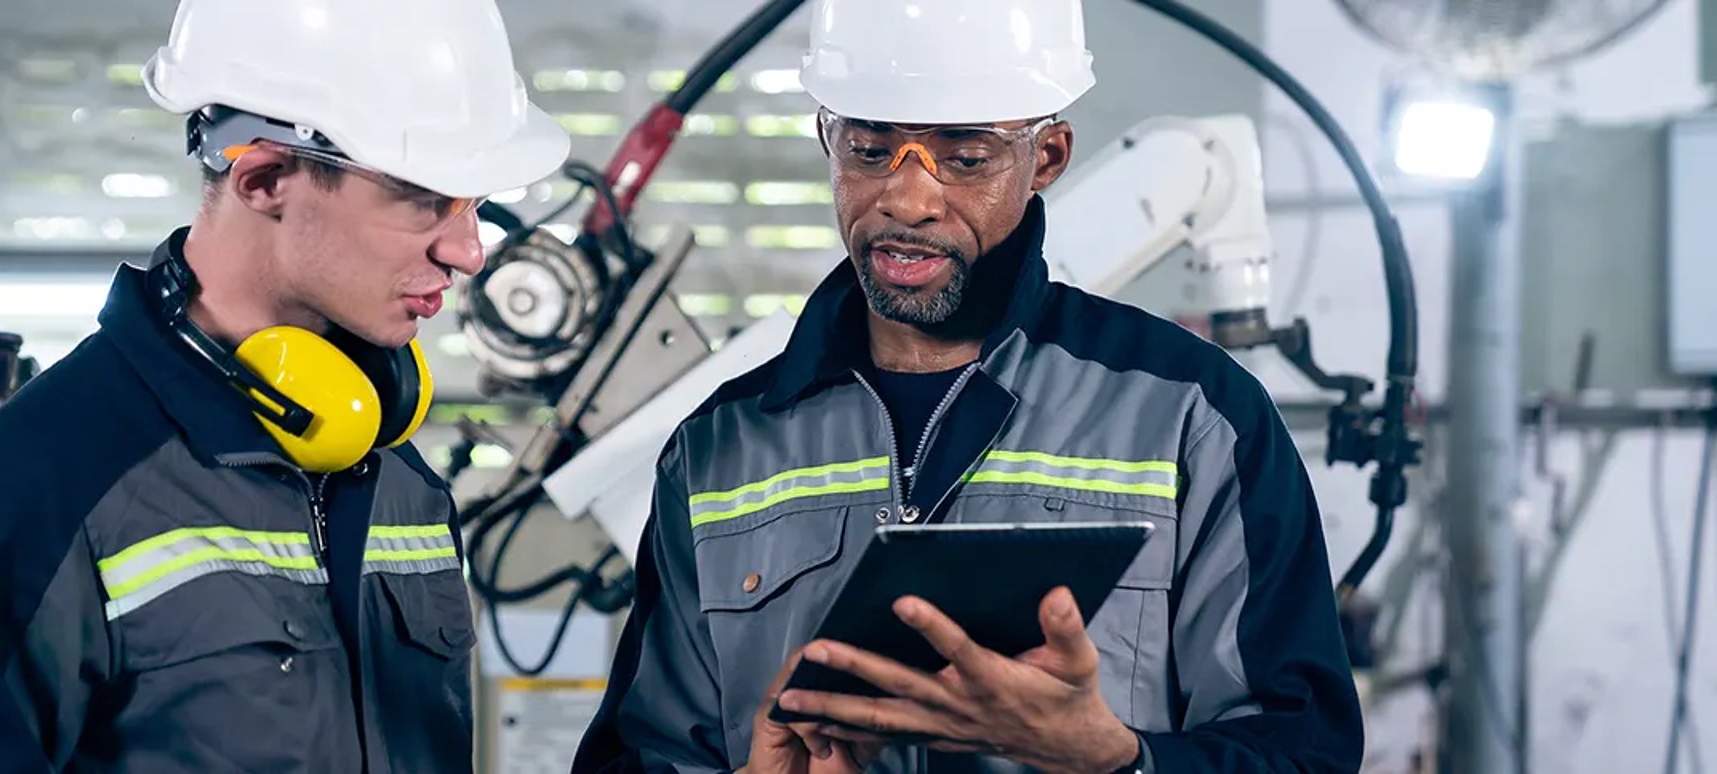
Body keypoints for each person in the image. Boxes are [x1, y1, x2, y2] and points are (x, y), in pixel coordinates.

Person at [572, 0, 1364, 771]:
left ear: (1046, 158)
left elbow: (1302, 752)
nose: (907, 199)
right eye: (870, 150)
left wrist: (1117, 763)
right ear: (828, 142)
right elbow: (642, 755)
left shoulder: (1195, 419)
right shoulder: (719, 449)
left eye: (967, 158)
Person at [0, 0, 568, 770]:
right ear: (264, 178)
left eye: (474, 206)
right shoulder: (45, 480)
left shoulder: (400, 476)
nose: (467, 252)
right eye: (425, 198)